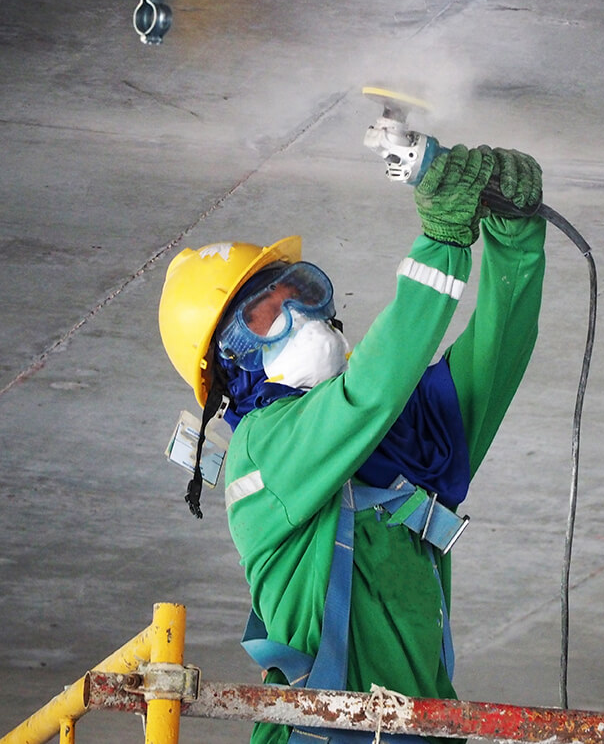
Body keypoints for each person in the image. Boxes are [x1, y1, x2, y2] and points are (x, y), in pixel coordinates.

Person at [158, 144, 546, 744]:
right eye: (268, 315)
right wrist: (442, 241)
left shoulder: (400, 436)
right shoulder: (261, 448)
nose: (303, 318)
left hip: (419, 734)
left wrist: (513, 238)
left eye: (301, 295)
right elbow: (370, 392)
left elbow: (493, 361)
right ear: (231, 366)